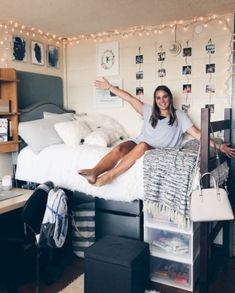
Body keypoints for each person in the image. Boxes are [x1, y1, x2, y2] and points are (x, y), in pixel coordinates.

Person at [78, 78, 235, 186]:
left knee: (141, 146)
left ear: (170, 98)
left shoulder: (179, 115)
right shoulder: (148, 111)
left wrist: (219, 147)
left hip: (155, 149)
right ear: (155, 100)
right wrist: (110, 87)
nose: (162, 101)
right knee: (119, 148)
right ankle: (94, 171)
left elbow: (197, 134)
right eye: (158, 98)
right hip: (139, 142)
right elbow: (130, 99)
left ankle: (110, 176)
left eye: (164, 97)